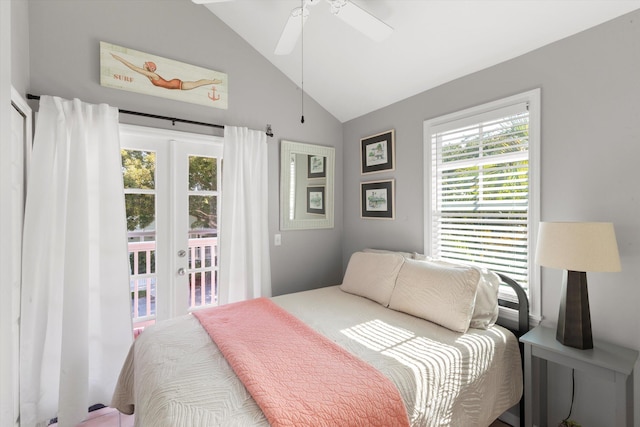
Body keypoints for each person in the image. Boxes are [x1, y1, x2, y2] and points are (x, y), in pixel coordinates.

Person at [111, 53, 222, 91]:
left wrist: (120, 59)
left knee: (197, 83)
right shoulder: (150, 76)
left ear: (150, 68)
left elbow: (136, 68)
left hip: (178, 85)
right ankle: (213, 81)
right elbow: (140, 70)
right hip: (174, 84)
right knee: (196, 83)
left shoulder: (153, 75)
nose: (144, 64)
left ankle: (214, 81)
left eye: (146, 64)